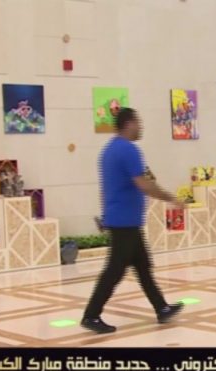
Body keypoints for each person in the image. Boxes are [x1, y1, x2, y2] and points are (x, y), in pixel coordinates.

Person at [82, 108, 184, 334]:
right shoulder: (128, 150)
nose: (141, 127)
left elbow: (106, 189)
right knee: (114, 271)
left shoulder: (108, 150)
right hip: (125, 222)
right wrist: (171, 198)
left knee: (143, 267)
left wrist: (106, 215)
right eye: (138, 122)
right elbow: (144, 184)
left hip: (122, 219)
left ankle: (162, 308)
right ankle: (91, 315)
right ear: (128, 123)